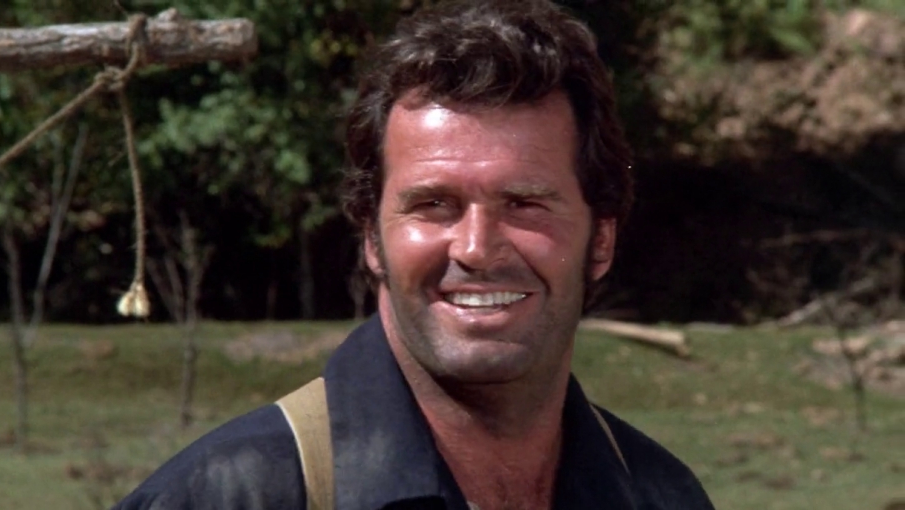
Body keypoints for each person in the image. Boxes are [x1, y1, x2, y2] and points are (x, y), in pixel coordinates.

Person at [113, 1, 716, 509]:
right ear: (372, 238)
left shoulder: (662, 496)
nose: (477, 248)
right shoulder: (225, 496)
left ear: (602, 239)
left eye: (525, 204)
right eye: (434, 205)